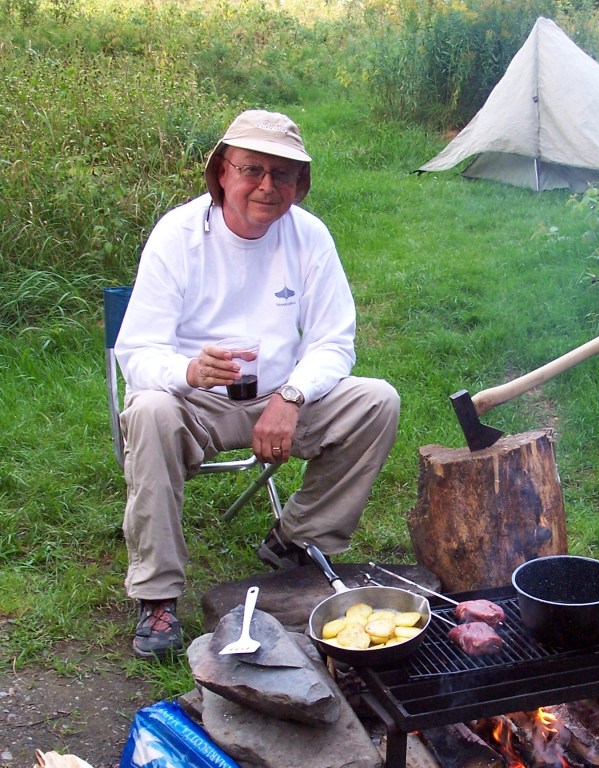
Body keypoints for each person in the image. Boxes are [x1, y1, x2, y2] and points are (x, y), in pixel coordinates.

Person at [115, 109, 400, 659]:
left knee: (376, 400)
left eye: (283, 174)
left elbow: (334, 341)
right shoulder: (178, 235)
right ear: (223, 172)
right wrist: (189, 371)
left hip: (277, 397)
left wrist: (292, 396)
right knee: (149, 412)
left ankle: (295, 541)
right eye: (252, 170)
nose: (267, 186)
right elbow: (137, 353)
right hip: (191, 399)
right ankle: (157, 596)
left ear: (300, 182)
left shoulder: (309, 236)